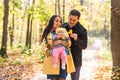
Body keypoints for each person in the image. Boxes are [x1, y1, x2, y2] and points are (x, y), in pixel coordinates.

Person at [41, 14, 75, 80]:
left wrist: (62, 42)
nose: (58, 23)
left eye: (60, 22)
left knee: (62, 78)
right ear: (52, 22)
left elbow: (69, 43)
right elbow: (43, 47)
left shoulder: (63, 31)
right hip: (52, 61)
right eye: (56, 21)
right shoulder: (47, 33)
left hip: (62, 60)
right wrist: (50, 51)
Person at [63, 9, 88, 80]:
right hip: (63, 58)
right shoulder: (63, 26)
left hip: (75, 60)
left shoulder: (82, 30)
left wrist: (77, 39)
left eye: (74, 20)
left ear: (78, 20)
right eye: (70, 19)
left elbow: (84, 46)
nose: (71, 21)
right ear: (68, 17)